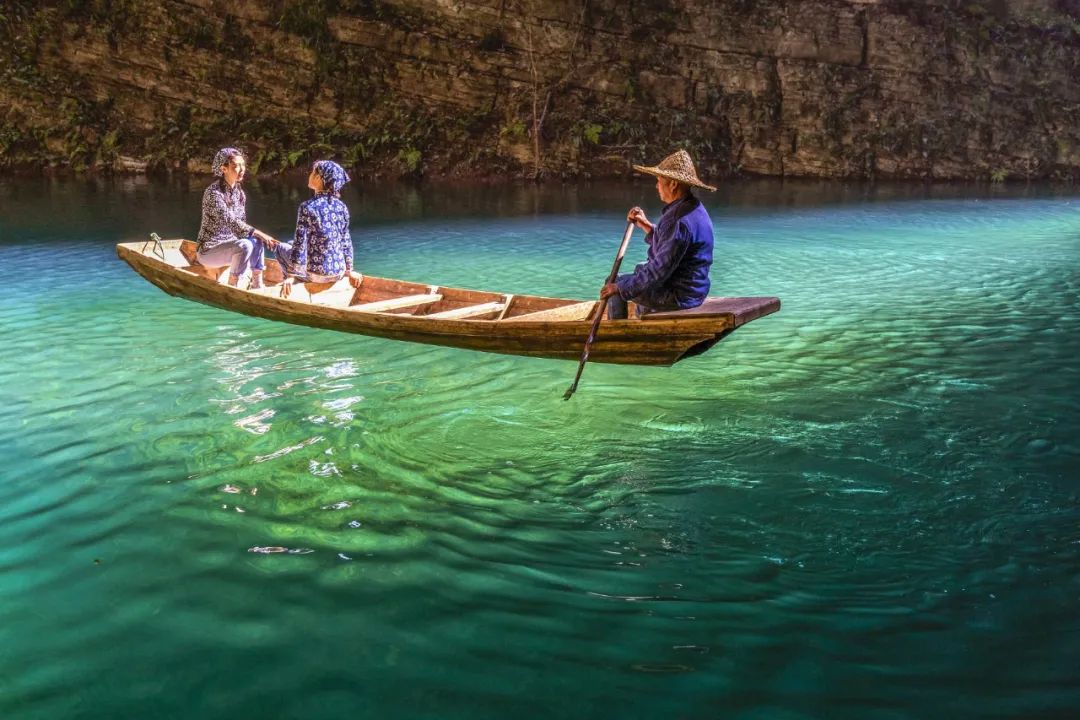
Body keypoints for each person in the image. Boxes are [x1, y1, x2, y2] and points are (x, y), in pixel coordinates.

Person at [600, 149, 716, 319]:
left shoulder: (677, 220)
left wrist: (620, 288)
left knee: (613, 283)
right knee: (639, 270)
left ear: (673, 184)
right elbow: (675, 246)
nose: (656, 186)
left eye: (659, 181)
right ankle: (643, 318)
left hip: (679, 295)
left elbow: (658, 271)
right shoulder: (694, 207)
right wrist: (647, 226)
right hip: (695, 290)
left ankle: (617, 332)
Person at [274, 160, 363, 298]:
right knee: (290, 244)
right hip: (338, 272)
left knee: (280, 248)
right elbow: (346, 241)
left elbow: (300, 244)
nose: (309, 175)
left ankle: (291, 284)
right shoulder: (342, 207)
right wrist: (349, 270)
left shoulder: (307, 207)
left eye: (312, 172)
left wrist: (292, 275)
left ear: (319, 178)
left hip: (317, 275)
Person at [195, 147, 278, 289]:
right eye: (236, 166)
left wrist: (258, 237)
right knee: (246, 244)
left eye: (243, 165)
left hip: (230, 247)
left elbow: (241, 228)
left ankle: (257, 284)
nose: (241, 169)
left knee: (255, 241)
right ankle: (234, 285)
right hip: (209, 251)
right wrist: (259, 233)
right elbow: (232, 222)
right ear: (224, 168)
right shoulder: (213, 194)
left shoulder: (239, 193)